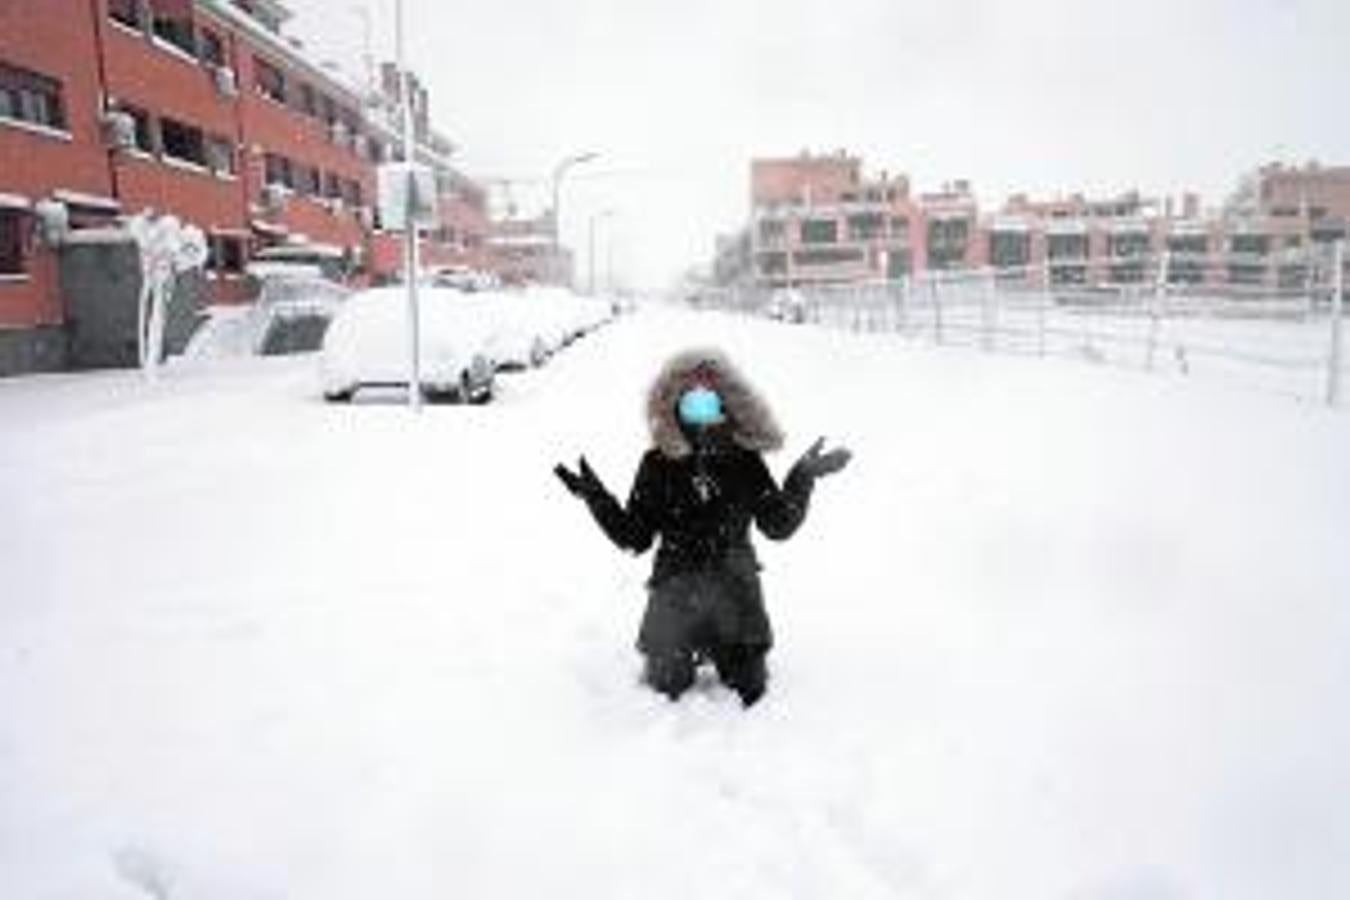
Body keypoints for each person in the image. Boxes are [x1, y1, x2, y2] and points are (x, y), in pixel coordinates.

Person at [555, 348, 851, 706]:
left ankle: (728, 652)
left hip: (737, 596)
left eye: (709, 389)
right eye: (689, 389)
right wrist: (595, 496)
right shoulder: (657, 463)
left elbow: (778, 524)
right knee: (665, 688)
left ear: (726, 399)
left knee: (751, 691)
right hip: (674, 593)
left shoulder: (744, 460)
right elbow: (635, 537)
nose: (700, 396)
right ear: (673, 400)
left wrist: (803, 476)